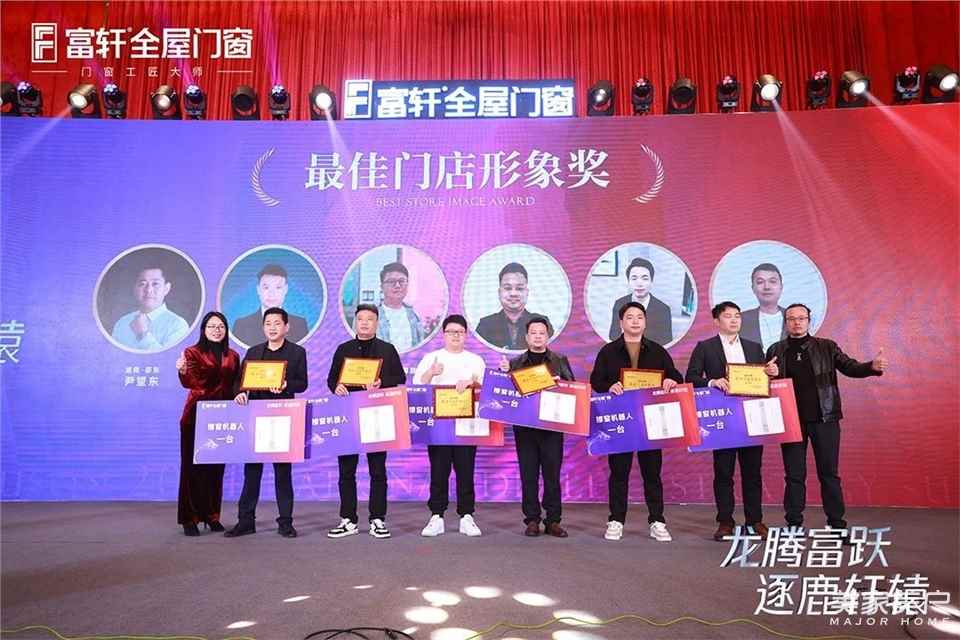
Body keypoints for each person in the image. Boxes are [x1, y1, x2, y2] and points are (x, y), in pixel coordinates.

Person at [766, 303, 887, 533]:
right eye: (791, 319)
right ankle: (793, 524)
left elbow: (850, 367)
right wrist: (768, 375)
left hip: (825, 418)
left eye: (801, 318)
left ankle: (836, 524)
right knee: (794, 475)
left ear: (809, 321)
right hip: (791, 421)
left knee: (829, 473)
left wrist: (871, 366)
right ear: (786, 322)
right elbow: (766, 386)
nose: (797, 322)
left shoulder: (827, 347)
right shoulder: (775, 349)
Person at [685, 301, 779, 541]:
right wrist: (712, 382)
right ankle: (725, 521)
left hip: (750, 418)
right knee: (723, 472)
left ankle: (754, 521)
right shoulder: (705, 347)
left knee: (752, 472)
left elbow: (762, 380)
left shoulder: (754, 347)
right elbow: (691, 377)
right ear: (717, 321)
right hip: (723, 419)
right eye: (728, 316)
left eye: (737, 315)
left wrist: (770, 374)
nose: (734, 320)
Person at [590, 301, 683, 542]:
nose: (635, 321)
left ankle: (657, 521)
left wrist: (671, 380)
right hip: (620, 422)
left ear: (645, 322)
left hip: (649, 422)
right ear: (621, 322)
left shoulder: (657, 351)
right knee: (618, 473)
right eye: (629, 317)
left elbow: (675, 375)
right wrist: (610, 386)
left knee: (652, 474)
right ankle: (616, 520)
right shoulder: (608, 351)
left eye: (639, 317)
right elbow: (596, 380)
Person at [224, 307, 308, 539]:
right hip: (256, 417)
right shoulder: (253, 352)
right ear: (263, 327)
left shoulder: (297, 352)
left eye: (277, 323)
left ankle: (285, 523)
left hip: (283, 417)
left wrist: (286, 385)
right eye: (268, 323)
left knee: (283, 473)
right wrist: (240, 393)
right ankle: (245, 521)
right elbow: (240, 381)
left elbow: (302, 383)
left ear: (286, 327)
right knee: (251, 472)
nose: (272, 327)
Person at [326, 304, 406, 539]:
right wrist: (337, 386)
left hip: (377, 414)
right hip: (349, 414)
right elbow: (331, 379)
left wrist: (382, 382)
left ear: (377, 323)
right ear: (355, 322)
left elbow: (400, 377)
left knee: (377, 470)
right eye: (360, 318)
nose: (364, 322)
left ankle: (377, 518)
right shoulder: (344, 349)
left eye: (369, 319)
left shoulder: (387, 349)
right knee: (346, 471)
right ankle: (348, 519)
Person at [499, 316, 574, 538]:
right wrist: (504, 373)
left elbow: (573, 389)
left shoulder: (559, 360)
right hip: (525, 429)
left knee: (552, 475)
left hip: (552, 428)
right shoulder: (515, 363)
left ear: (548, 336)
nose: (538, 336)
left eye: (542, 333)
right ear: (526, 337)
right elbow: (505, 395)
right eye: (533, 333)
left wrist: (561, 384)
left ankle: (553, 520)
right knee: (528, 474)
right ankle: (532, 519)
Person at [413, 314, 486, 537]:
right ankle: (437, 516)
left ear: (466, 335)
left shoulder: (475, 360)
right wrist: (431, 373)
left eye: (460, 332)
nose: (455, 336)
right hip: (438, 426)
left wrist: (473, 383)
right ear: (443, 335)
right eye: (451, 332)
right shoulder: (432, 358)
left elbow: (485, 389)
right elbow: (417, 386)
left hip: (466, 425)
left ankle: (467, 516)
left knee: (466, 470)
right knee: (439, 470)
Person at [175, 311, 240, 536]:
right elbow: (190, 382)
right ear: (203, 330)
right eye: (212, 326)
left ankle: (212, 516)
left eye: (221, 326)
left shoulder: (233, 355)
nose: (216, 330)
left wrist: (241, 395)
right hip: (196, 417)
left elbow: (236, 384)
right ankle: (189, 519)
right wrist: (182, 371)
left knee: (216, 469)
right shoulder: (192, 352)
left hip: (223, 418)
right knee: (192, 469)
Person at [111, 266, 190, 350]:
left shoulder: (178, 325)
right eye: (142, 284)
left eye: (155, 284)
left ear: (166, 288)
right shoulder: (122, 322)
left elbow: (169, 358)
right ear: (134, 289)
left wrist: (143, 334)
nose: (148, 290)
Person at [232, 264, 309, 346]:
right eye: (266, 287)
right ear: (258, 289)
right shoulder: (242, 325)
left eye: (278, 287)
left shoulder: (299, 325)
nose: (272, 294)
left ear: (286, 289)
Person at [476, 262, 545, 350]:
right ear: (499, 292)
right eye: (508, 288)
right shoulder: (485, 325)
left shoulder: (542, 323)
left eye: (519, 288)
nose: (513, 293)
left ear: (527, 292)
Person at [608, 257, 672, 345]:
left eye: (644, 278)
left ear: (651, 281)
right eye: (634, 278)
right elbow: (613, 336)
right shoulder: (619, 304)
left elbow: (666, 341)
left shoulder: (663, 309)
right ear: (628, 281)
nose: (639, 283)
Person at [376, 262, 425, 352]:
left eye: (401, 281)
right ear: (382, 287)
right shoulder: (369, 316)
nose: (397, 285)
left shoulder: (414, 316)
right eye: (391, 281)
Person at [740, 263, 787, 351]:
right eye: (760, 282)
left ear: (781, 287)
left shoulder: (794, 317)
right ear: (753, 288)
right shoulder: (741, 319)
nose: (767, 287)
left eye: (772, 281)